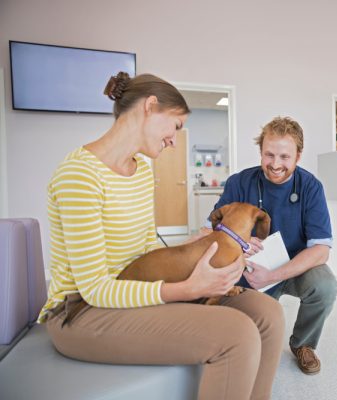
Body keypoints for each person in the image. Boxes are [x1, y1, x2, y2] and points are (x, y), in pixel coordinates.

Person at [38, 72, 284, 400]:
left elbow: (147, 251)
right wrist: (185, 290)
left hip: (133, 289)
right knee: (237, 333)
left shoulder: (140, 170)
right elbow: (95, 289)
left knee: (268, 314)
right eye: (176, 126)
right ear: (150, 107)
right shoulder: (79, 176)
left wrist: (201, 247)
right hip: (82, 312)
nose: (174, 140)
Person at [208, 116, 337, 375]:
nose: (275, 165)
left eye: (284, 157)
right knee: (250, 342)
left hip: (293, 267)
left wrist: (274, 275)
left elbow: (321, 250)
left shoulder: (310, 187)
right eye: (269, 155)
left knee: (325, 286)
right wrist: (238, 241)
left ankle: (303, 344)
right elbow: (212, 227)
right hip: (249, 268)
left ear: (298, 156)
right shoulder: (239, 182)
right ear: (260, 152)